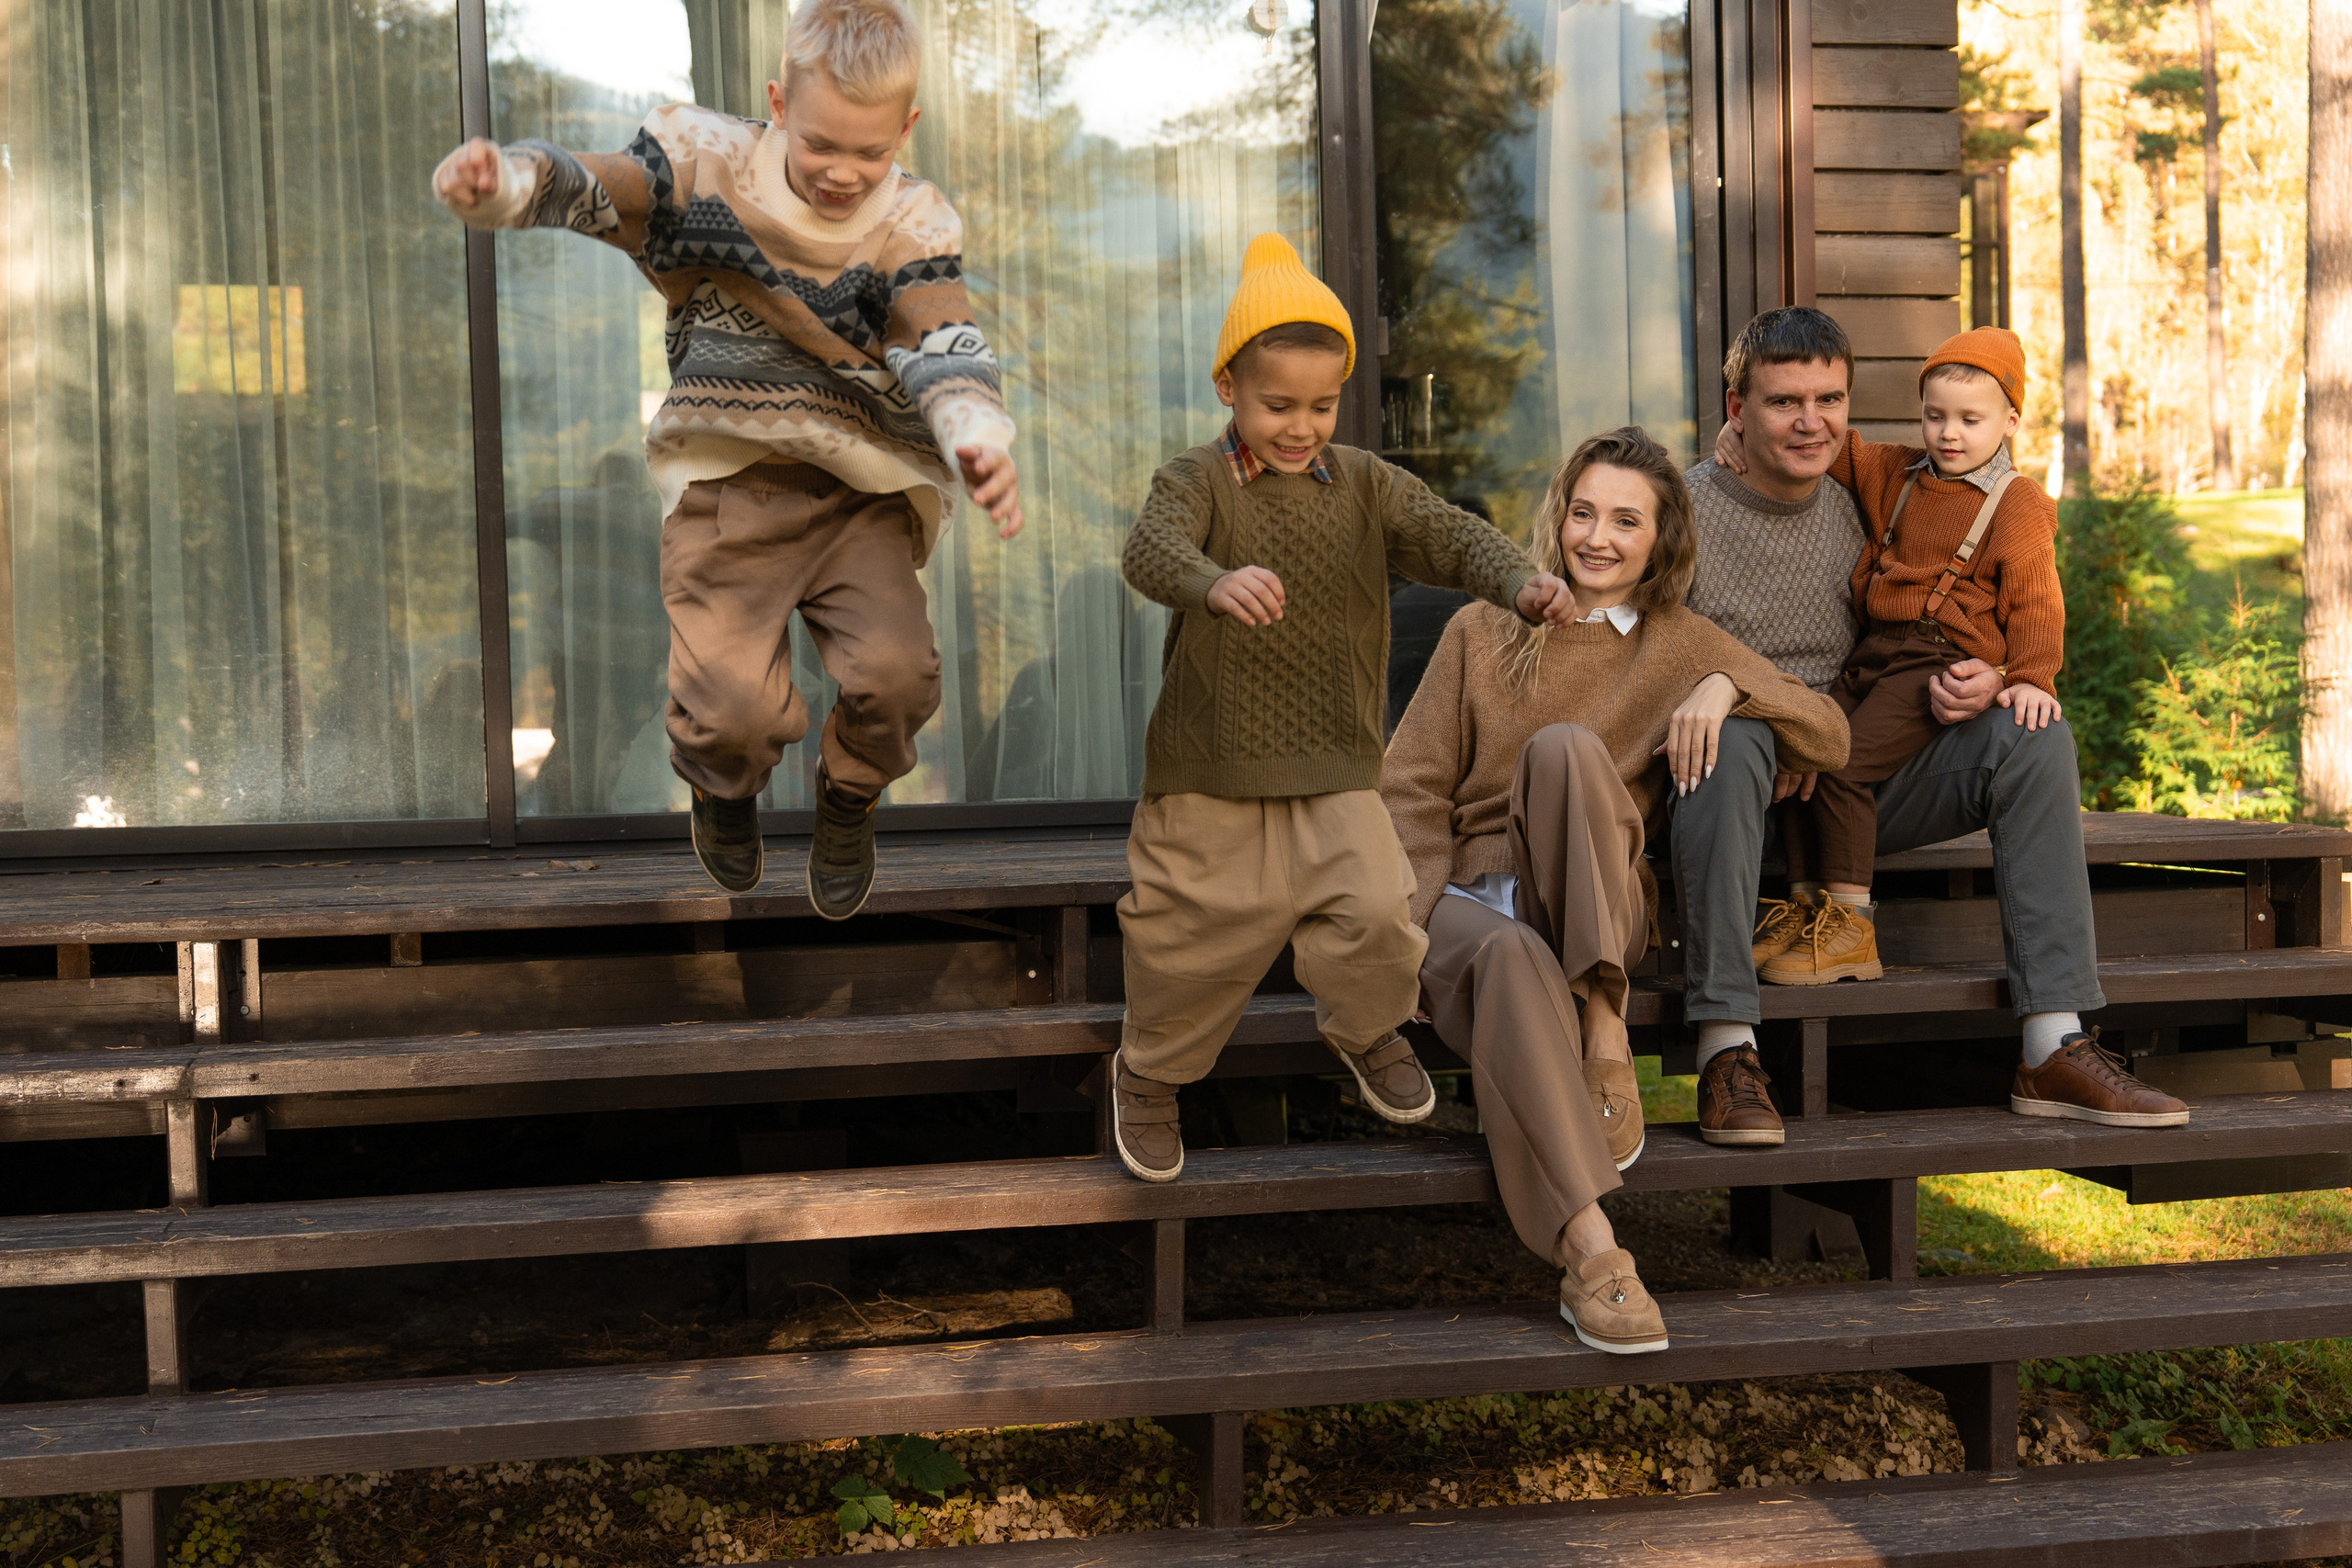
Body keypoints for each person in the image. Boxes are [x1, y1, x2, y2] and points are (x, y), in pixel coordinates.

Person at [432, 0, 1023, 913]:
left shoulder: (910, 219)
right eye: (822, 144)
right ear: (780, 103)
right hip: (729, 485)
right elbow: (601, 187)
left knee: (899, 676)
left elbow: (941, 332)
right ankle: (722, 786)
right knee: (730, 712)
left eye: (868, 154)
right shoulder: (710, 168)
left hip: (859, 493)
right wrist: (508, 181)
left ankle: (849, 792)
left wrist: (973, 432)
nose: (841, 173)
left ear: (905, 130)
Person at [1111, 232, 1578, 1186]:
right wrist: (1211, 580)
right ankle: (1149, 1077)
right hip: (1210, 773)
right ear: (1228, 391)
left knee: (1376, 914)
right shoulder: (1195, 482)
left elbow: (1447, 537)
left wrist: (1520, 582)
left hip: (1334, 766)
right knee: (1186, 942)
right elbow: (1149, 552)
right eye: (1276, 405)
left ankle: (1365, 1032)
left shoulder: (1363, 484)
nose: (1299, 426)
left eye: (1320, 406)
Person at [1382, 426, 1846, 1352]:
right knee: (1508, 954)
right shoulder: (1482, 627)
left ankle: (1601, 1015)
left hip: (1593, 896)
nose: (1598, 537)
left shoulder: (1678, 643)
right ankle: (1592, 1251)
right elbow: (1410, 790)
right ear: (1558, 518)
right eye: (1584, 513)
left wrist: (1722, 687)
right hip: (1478, 908)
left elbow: (1828, 734)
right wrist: (1406, 926)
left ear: (1662, 536)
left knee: (1562, 753)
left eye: (1625, 520)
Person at [1679, 307, 2188, 1140]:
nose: (1812, 422)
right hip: (1738, 793)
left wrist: (1989, 672)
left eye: (1830, 399)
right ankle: (1727, 1050)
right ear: (1736, 407)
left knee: (2034, 733)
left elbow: (1966, 602)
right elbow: (1628, 645)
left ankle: (2051, 1041)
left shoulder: (1875, 497)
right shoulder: (1682, 511)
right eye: (1782, 403)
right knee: (1733, 736)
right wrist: (1739, 692)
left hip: (1852, 779)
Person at [1716, 328, 2064, 989]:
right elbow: (1828, 443)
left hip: (1937, 662)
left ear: (2011, 421)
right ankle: (1806, 906)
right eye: (1935, 417)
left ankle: (1851, 925)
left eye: (1970, 420)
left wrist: (2028, 676)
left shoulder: (2015, 503)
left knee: (1837, 758)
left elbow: (2037, 600)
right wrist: (1741, 433)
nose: (1949, 434)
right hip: (1876, 654)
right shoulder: (1899, 473)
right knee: (1803, 741)